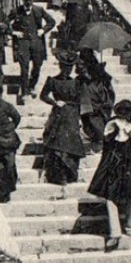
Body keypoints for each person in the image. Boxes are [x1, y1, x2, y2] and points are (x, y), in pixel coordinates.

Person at [88, 100, 131, 250]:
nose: (123, 117)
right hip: (115, 166)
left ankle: (128, 224)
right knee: (110, 196)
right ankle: (115, 232)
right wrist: (114, 133)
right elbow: (106, 145)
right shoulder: (111, 123)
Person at [39, 55, 86, 186]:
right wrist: (54, 102)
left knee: (71, 141)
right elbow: (43, 96)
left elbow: (81, 100)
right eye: (65, 67)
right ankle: (59, 175)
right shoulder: (52, 80)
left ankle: (70, 173)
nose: (68, 70)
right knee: (58, 141)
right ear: (60, 66)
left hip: (72, 114)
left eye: (70, 67)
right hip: (59, 113)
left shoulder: (76, 82)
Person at [9, 0, 56, 105]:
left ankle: (32, 86)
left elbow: (52, 22)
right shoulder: (16, 11)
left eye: (30, 0)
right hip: (23, 42)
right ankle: (24, 92)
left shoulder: (38, 10)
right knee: (24, 67)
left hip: (36, 42)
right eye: (26, 0)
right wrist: (14, 32)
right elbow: (5, 23)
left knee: (37, 66)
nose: (28, 2)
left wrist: (43, 30)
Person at [78, 50, 115, 152]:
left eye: (83, 64)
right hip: (87, 110)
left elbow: (110, 95)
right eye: (79, 65)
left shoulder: (102, 78)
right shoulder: (80, 80)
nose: (80, 67)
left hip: (100, 111)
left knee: (99, 130)